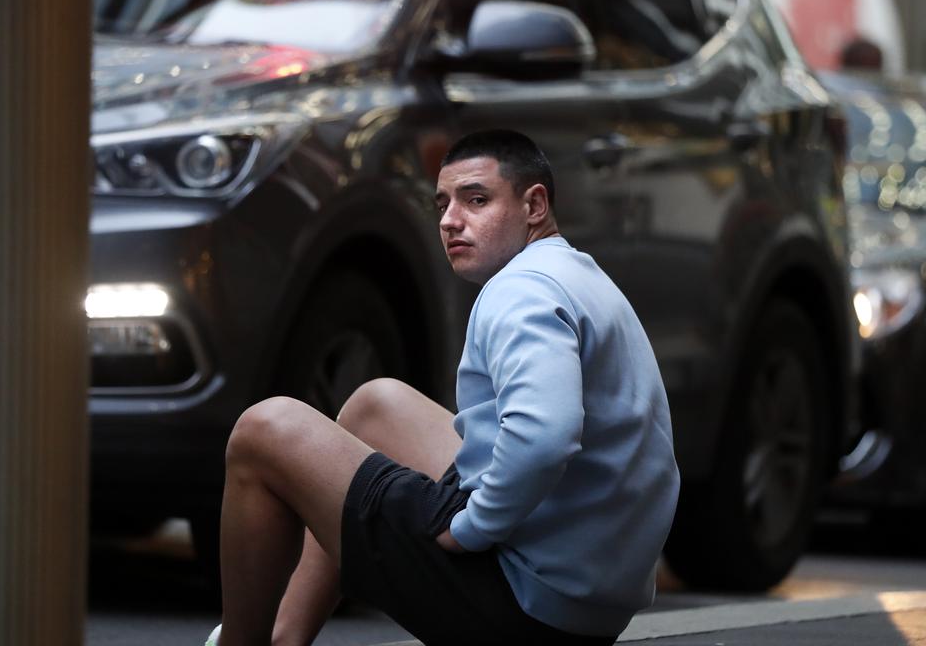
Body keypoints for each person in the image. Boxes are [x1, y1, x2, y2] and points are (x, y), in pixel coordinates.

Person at [205, 130, 680, 646]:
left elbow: (547, 435)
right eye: (443, 204)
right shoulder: (573, 274)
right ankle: (284, 636)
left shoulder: (520, 292)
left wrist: (472, 527)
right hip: (583, 596)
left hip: (525, 605)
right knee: (375, 405)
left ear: (534, 205)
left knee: (263, 430)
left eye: (476, 200)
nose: (451, 220)